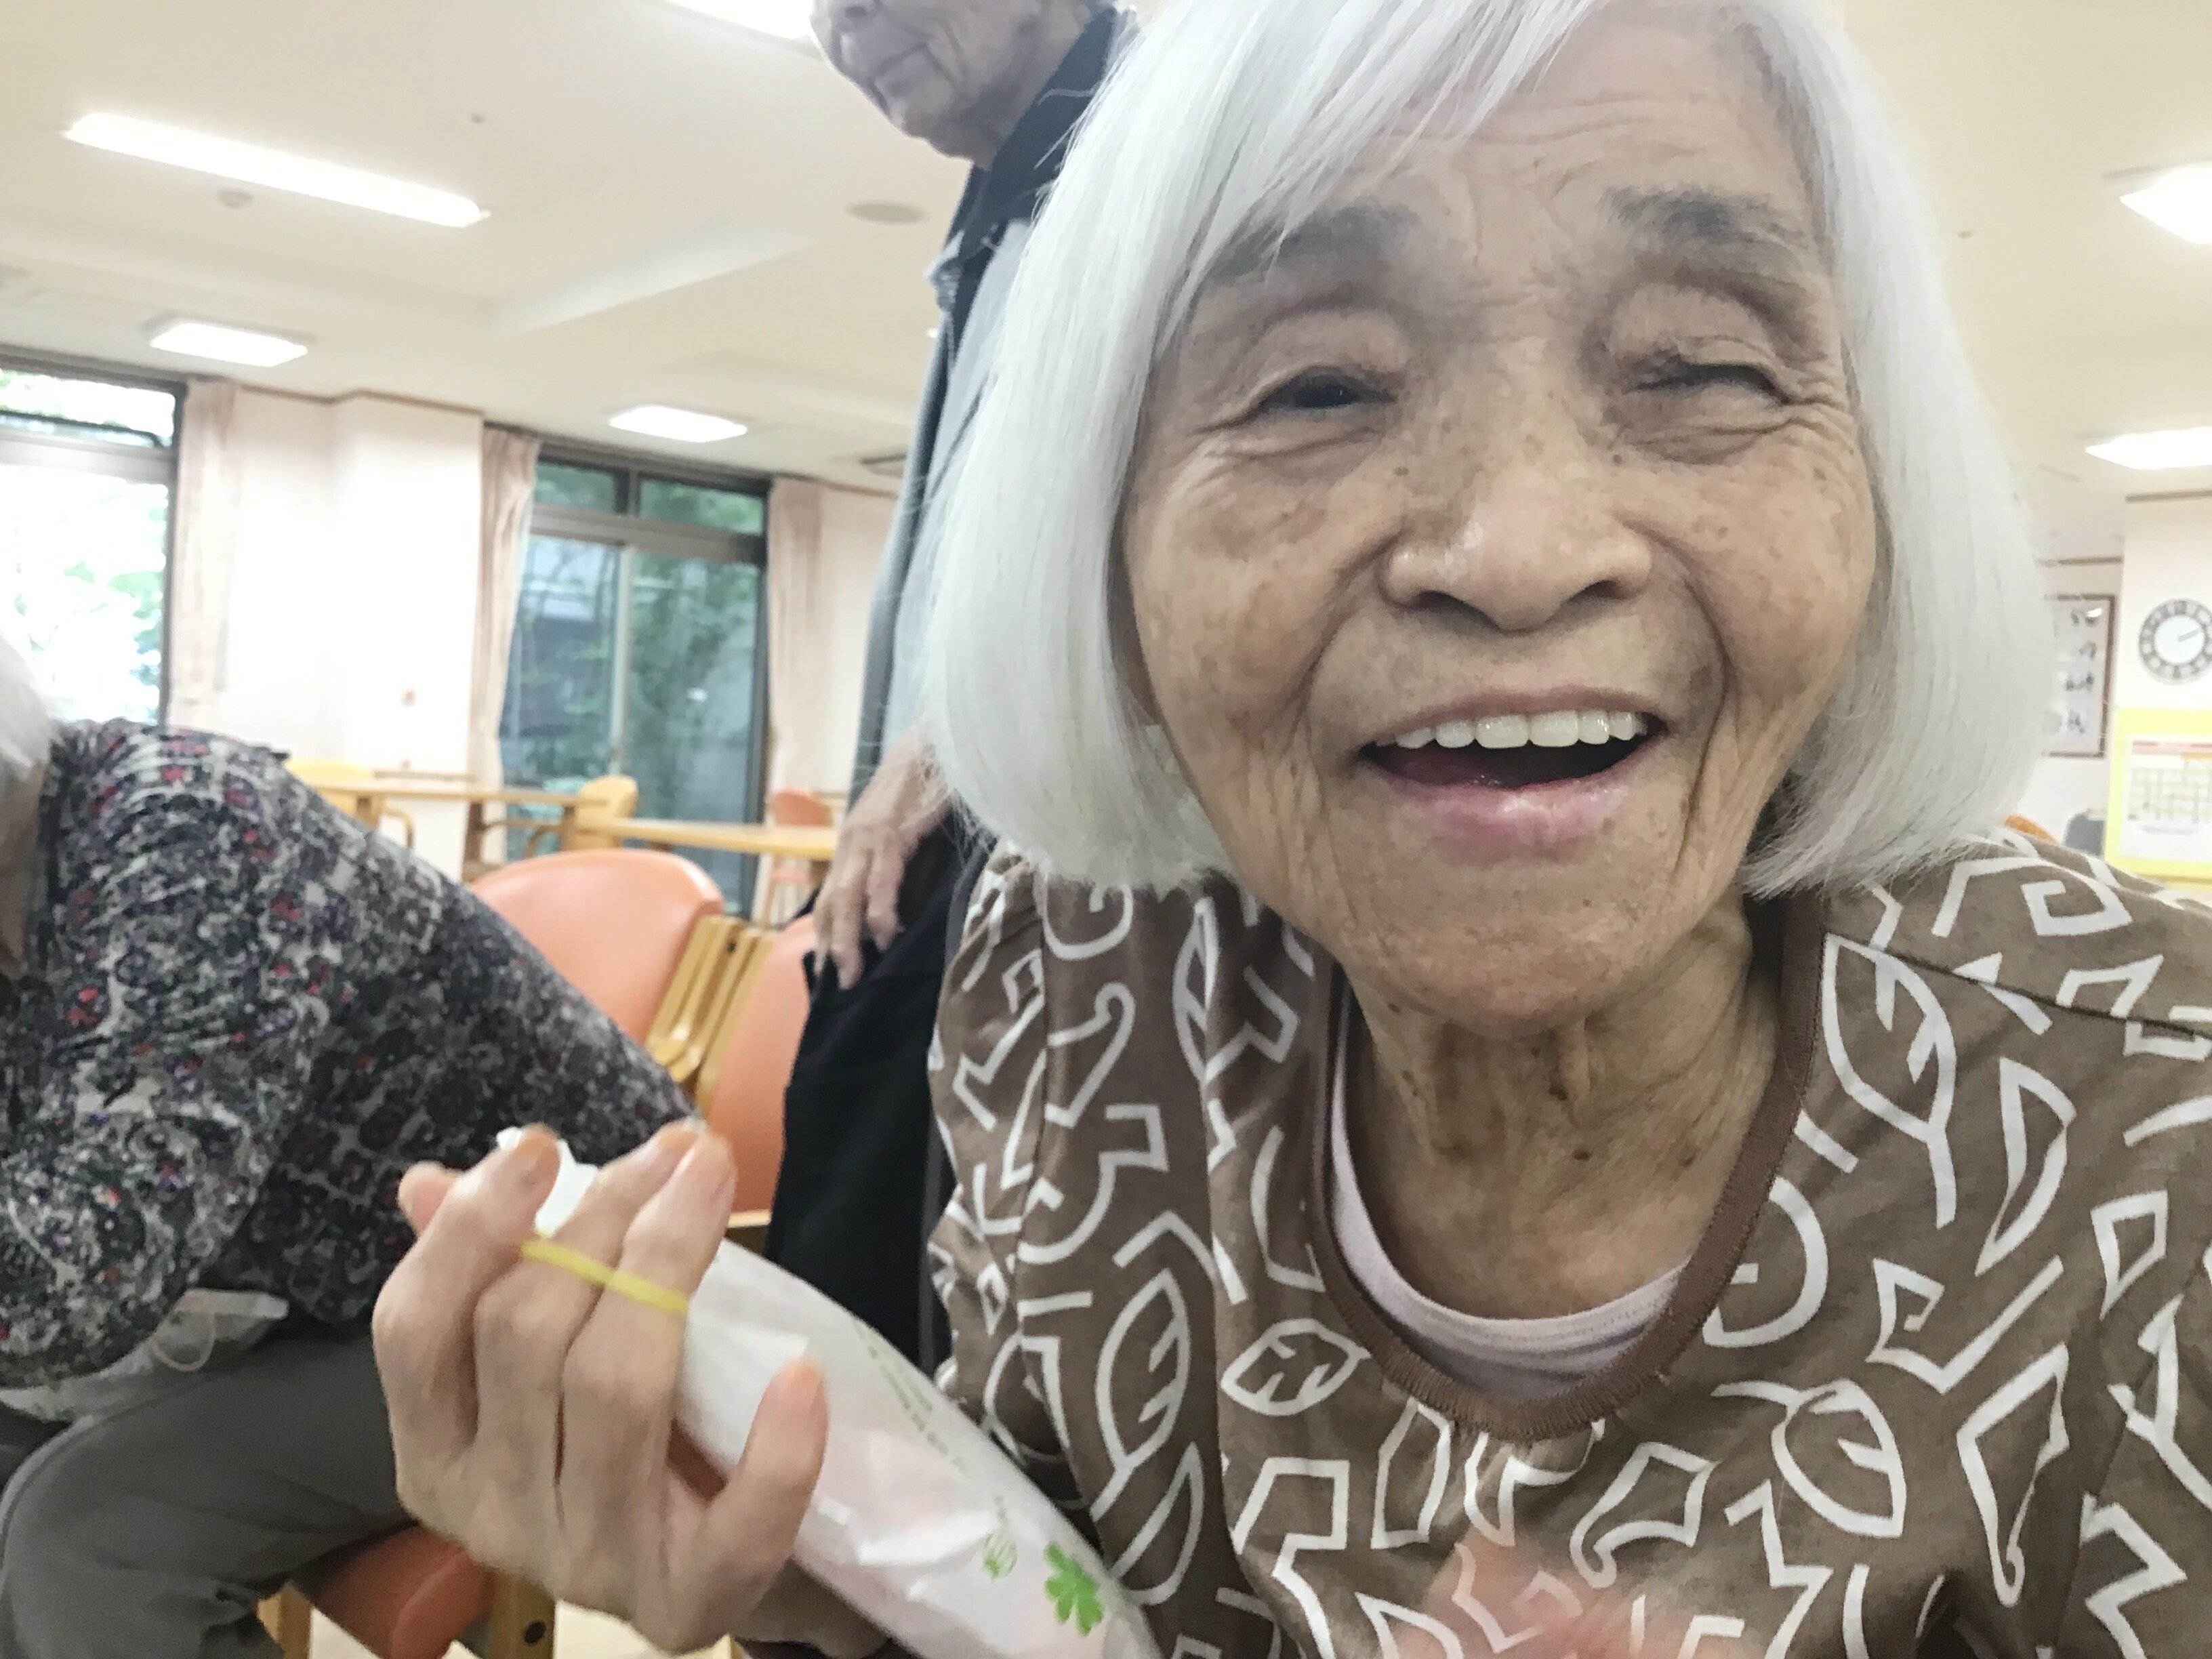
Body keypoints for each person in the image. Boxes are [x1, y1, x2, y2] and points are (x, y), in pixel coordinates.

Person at [373, 0, 2212, 1654]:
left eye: (1700, 370)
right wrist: (818, 1576)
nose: (1519, 548)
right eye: (1318, 385)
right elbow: (1052, 1599)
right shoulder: (1074, 981)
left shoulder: (2160, 1125)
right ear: (1107, 547)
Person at [0, 636, 692, 1659]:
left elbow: (79, 1277)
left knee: (90, 1539)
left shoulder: (183, 832)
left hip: (559, 1296)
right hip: (315, 1293)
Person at [773, 0, 1130, 1366]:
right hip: (938, 839)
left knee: (935, 1336)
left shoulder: (1176, 149)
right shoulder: (997, 207)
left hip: (1060, 854)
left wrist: (946, 739)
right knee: (845, 1298)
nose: (846, 22)